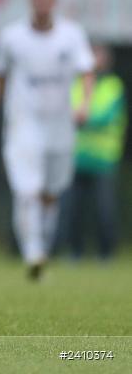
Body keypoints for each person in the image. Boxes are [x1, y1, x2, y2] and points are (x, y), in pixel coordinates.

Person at [0, 0, 94, 280]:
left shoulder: (71, 35)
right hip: (24, 124)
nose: (41, 4)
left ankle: (42, 247)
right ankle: (33, 253)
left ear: (54, 1)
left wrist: (84, 104)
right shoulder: (12, 37)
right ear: (30, 1)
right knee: (27, 190)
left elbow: (87, 73)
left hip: (60, 126)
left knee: (50, 193)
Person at [64, 45, 126, 260]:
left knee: (104, 211)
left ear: (107, 61)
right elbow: (66, 112)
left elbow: (104, 117)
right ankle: (75, 253)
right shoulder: (76, 84)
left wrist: (81, 118)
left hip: (103, 160)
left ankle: (105, 254)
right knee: (73, 211)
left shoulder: (114, 86)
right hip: (76, 158)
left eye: (98, 57)